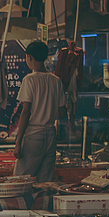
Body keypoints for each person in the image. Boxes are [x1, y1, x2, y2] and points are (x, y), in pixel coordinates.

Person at [13, 40, 66, 183]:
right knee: (45, 183)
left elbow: (25, 112)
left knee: (21, 181)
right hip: (50, 135)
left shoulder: (29, 80)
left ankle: (22, 206)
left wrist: (18, 142)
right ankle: (43, 205)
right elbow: (62, 113)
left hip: (33, 136)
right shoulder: (56, 81)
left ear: (29, 57)